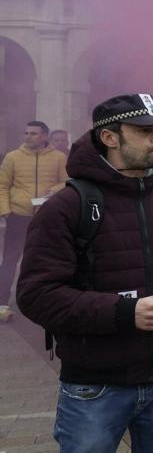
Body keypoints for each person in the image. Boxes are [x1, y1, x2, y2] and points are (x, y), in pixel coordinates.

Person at [16, 94, 153, 452]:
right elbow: (36, 295)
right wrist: (125, 312)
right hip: (95, 387)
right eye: (144, 129)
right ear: (110, 137)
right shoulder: (67, 206)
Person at [0, 120, 68, 322]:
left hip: (46, 216)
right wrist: (5, 211)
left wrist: (52, 191)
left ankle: (45, 298)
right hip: (18, 216)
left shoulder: (58, 157)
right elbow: (2, 185)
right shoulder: (12, 157)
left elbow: (66, 180)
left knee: (46, 258)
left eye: (33, 133)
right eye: (26, 133)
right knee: (11, 259)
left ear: (44, 136)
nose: (28, 136)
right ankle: (2, 302)